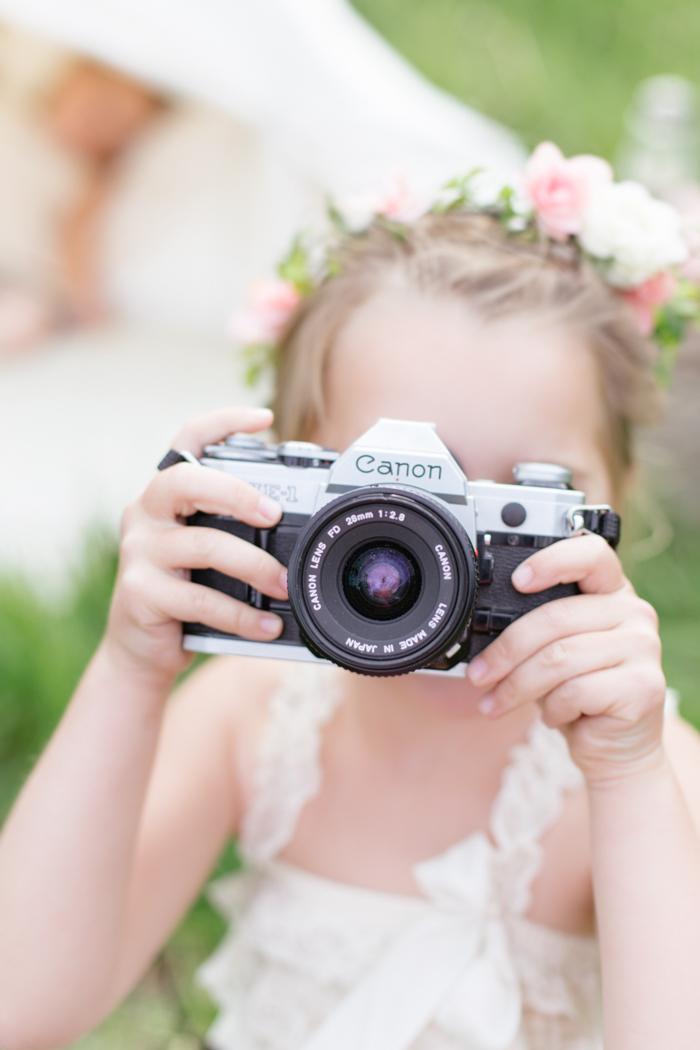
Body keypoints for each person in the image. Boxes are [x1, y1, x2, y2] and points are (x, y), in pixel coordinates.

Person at [1, 143, 700, 1050]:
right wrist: (130, 670)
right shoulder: (257, 717)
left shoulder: (647, 772)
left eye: (505, 510)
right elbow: (20, 1003)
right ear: (287, 499)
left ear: (608, 510)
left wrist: (627, 774)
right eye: (397, 511)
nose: (442, 563)